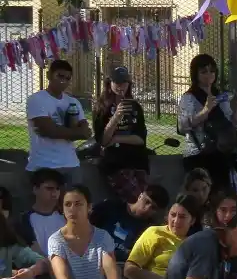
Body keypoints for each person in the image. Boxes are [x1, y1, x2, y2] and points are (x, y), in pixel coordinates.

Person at [38, 185, 142, 279]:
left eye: (78, 204)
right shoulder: (56, 240)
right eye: (68, 204)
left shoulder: (102, 236)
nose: (72, 209)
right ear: (62, 208)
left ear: (89, 207)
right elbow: (61, 277)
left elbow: (110, 267)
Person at [124, 195, 198, 279]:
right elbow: (129, 269)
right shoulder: (155, 233)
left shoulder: (196, 242)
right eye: (173, 215)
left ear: (192, 221)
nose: (175, 221)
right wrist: (153, 278)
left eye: (182, 217)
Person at [177, 53, 237, 193]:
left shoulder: (220, 95)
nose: (209, 75)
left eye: (212, 71)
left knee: (223, 195)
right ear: (195, 74)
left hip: (221, 153)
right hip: (198, 155)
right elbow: (182, 126)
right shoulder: (189, 97)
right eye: (203, 72)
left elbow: (234, 123)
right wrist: (205, 111)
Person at [25, 57, 91, 182]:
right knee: (48, 201)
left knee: (75, 200)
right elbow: (48, 130)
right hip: (44, 166)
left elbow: (85, 129)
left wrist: (69, 132)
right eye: (60, 76)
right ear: (49, 75)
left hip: (71, 164)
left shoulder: (73, 102)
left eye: (67, 78)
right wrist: (76, 133)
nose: (63, 81)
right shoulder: (36, 99)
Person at [92, 66, 150, 202]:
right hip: (115, 164)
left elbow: (140, 138)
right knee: (135, 200)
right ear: (109, 82)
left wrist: (117, 138)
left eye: (124, 82)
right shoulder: (101, 107)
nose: (121, 86)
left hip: (137, 162)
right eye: (117, 82)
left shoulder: (134, 106)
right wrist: (116, 117)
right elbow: (103, 140)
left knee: (146, 200)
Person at [91, 183, 169, 262]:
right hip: (92, 255)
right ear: (140, 196)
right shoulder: (111, 207)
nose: (147, 208)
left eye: (153, 208)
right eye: (147, 202)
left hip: (120, 266)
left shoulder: (150, 230)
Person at [14, 167, 66, 256]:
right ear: (35, 189)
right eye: (49, 189)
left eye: (57, 189)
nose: (54, 193)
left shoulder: (66, 216)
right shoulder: (24, 220)